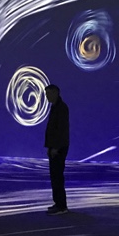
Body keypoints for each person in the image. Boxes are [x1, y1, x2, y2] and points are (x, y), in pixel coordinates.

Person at [44, 84, 70, 215]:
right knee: (55, 176)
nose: (47, 97)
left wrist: (55, 147)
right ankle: (58, 203)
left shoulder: (61, 108)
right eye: (46, 94)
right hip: (54, 147)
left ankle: (61, 206)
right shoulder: (55, 107)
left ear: (56, 93)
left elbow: (61, 130)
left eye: (49, 94)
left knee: (57, 176)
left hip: (58, 148)